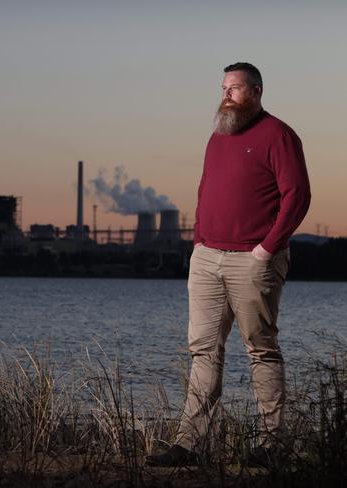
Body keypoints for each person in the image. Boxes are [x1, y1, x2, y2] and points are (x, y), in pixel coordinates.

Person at [146, 62, 311, 467]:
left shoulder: (279, 135)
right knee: (202, 351)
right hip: (206, 258)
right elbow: (205, 190)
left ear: (255, 91)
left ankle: (273, 446)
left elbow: (298, 196)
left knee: (261, 350)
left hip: (253, 260)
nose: (226, 94)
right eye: (223, 87)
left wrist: (267, 248)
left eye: (234, 88)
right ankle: (189, 446)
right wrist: (199, 239)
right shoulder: (218, 136)